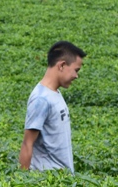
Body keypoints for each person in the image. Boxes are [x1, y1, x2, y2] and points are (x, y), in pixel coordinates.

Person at [19, 41, 86, 173]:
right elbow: (27, 144)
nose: (76, 76)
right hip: (48, 177)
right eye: (75, 70)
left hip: (61, 177)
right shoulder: (41, 99)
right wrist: (22, 180)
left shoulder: (54, 93)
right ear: (61, 65)